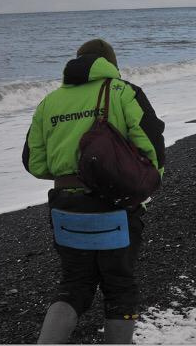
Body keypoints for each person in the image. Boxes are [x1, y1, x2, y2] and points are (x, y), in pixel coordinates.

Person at [23, 39, 165, 344]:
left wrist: (71, 176)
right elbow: (152, 148)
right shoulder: (123, 92)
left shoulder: (50, 102)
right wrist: (146, 183)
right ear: (111, 63)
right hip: (115, 208)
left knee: (73, 286)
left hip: (65, 209)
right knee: (119, 287)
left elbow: (34, 163)